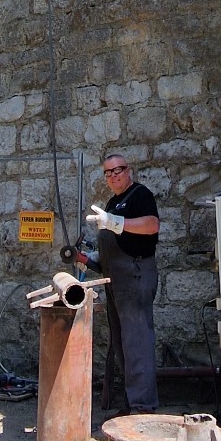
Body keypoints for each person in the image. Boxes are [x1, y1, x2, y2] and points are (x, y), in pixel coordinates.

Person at [85, 152, 160, 414]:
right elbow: (115, 243)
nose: (114, 176)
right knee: (122, 343)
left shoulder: (140, 194)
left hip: (135, 276)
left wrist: (116, 222)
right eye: (108, 172)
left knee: (137, 341)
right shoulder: (112, 203)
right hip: (115, 279)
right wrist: (90, 258)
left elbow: (151, 225)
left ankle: (143, 407)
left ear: (129, 171)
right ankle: (132, 402)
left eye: (118, 170)